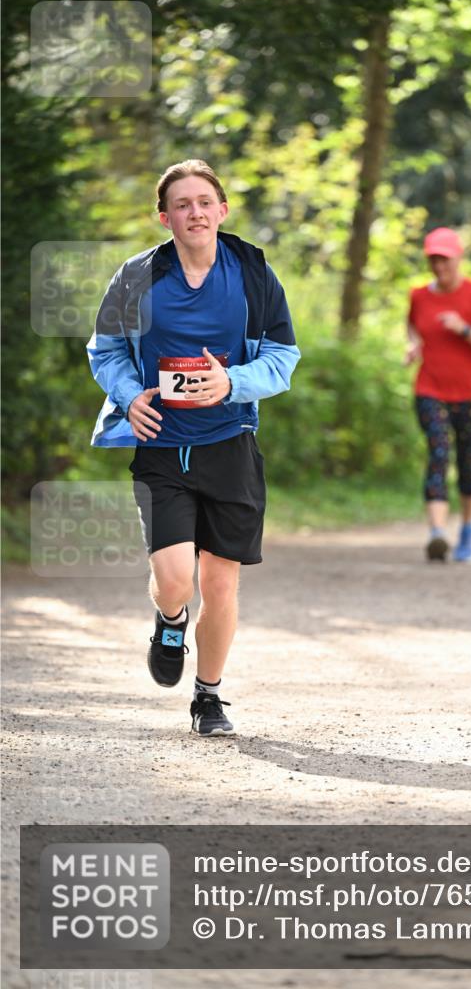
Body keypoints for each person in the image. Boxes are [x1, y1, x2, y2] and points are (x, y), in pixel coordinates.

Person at [86, 159, 300, 736]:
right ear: (165, 216)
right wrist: (131, 396)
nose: (195, 211)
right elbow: (103, 351)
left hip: (230, 444)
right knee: (177, 577)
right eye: (182, 204)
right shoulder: (138, 276)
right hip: (161, 444)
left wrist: (232, 383)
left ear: (222, 209)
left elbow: (283, 359)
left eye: (205, 201)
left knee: (223, 581)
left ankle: (208, 698)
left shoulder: (253, 272)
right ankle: (170, 618)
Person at [406, 227, 471, 564]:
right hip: (430, 388)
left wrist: (463, 329)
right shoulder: (418, 295)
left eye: (444, 258)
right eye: (433, 258)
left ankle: (469, 528)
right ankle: (437, 534)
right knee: (437, 452)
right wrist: (414, 346)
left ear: (458, 258)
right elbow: (414, 327)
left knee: (465, 462)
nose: (438, 265)